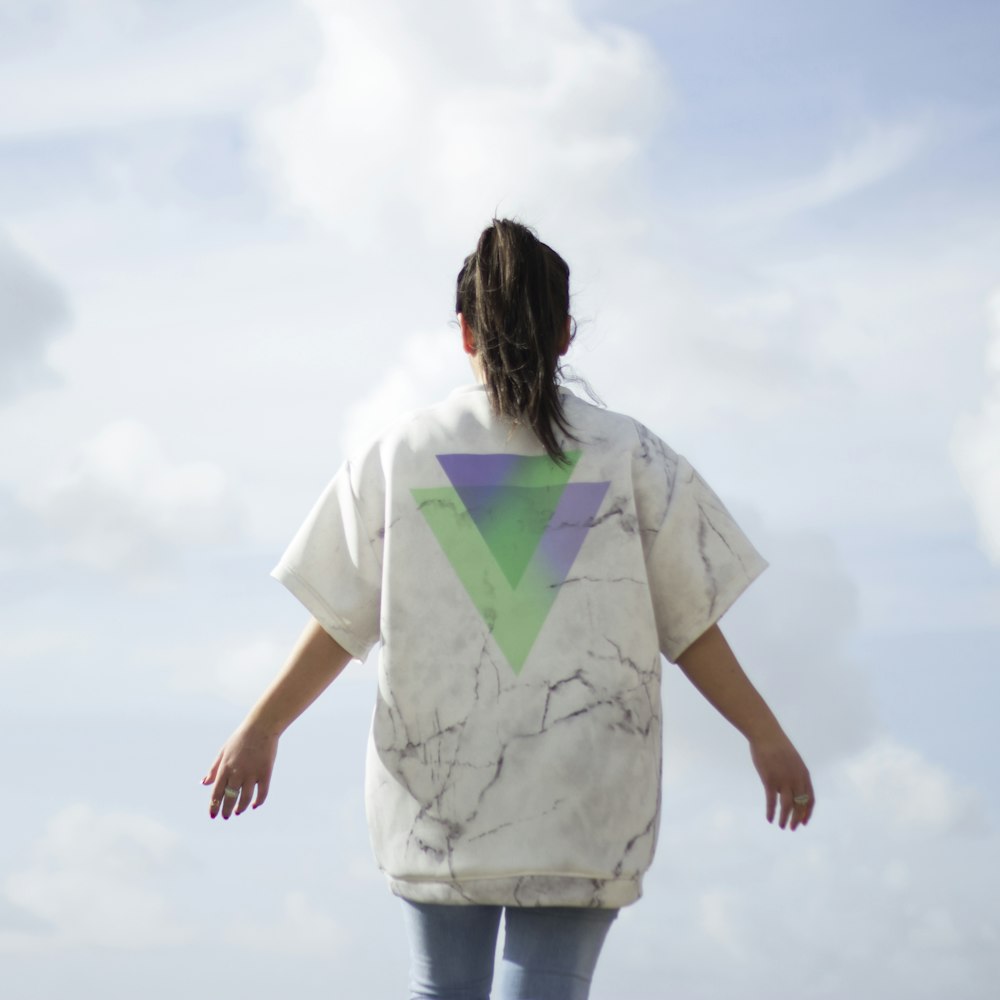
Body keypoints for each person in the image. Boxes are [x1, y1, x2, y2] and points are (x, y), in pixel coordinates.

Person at [203, 218, 814, 1000]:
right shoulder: (633, 455)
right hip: (585, 797)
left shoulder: (397, 455)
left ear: (464, 332)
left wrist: (261, 728)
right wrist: (765, 735)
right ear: (565, 332)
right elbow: (691, 626)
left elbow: (339, 622)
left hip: (438, 792)